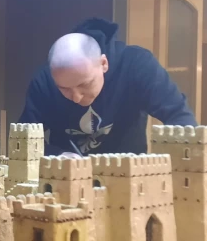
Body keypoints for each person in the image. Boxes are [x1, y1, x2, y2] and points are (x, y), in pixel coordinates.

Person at [19, 17, 197, 156]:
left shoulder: (136, 65)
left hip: (128, 177)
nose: (76, 97)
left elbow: (179, 116)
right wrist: (58, 155)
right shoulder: (44, 80)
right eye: (64, 89)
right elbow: (24, 140)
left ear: (103, 63)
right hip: (65, 178)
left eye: (84, 84)